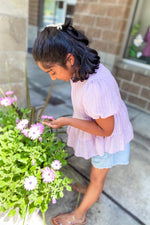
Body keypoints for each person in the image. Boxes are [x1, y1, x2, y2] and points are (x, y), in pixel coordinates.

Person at [32, 22, 133, 225]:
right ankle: (90, 190)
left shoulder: (94, 86)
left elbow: (106, 130)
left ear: (69, 59)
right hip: (105, 126)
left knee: (97, 178)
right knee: (96, 171)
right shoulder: (80, 67)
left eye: (52, 72)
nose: (53, 78)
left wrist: (68, 120)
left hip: (108, 139)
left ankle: (79, 215)